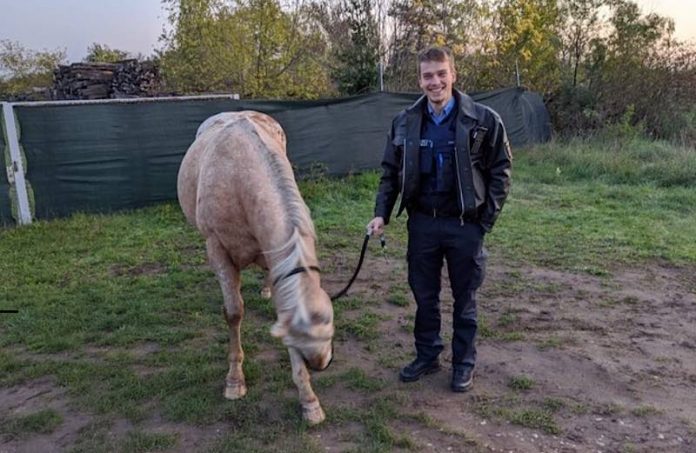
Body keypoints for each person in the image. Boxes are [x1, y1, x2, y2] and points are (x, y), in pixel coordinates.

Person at [366, 46, 512, 392]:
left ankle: (463, 364)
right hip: (423, 224)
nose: (436, 82)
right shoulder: (404, 122)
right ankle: (428, 354)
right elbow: (390, 172)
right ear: (419, 80)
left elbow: (501, 172)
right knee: (424, 295)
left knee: (465, 299)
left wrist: (484, 222)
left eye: (441, 74)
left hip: (466, 226)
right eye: (428, 76)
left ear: (453, 74)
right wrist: (380, 213)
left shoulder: (484, 119)